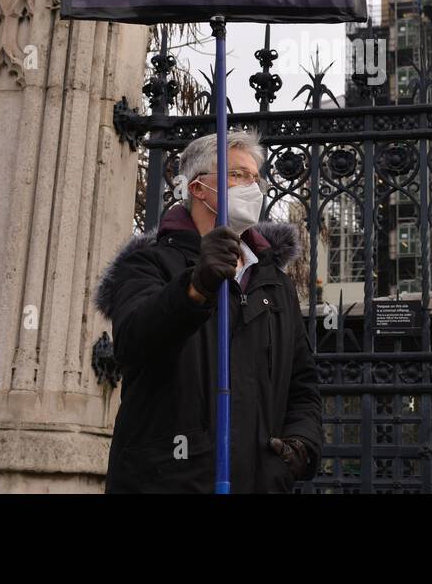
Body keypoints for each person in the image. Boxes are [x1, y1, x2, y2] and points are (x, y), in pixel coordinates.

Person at [95, 129, 322, 493]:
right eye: (237, 174)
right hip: (171, 481)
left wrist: (300, 446)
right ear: (198, 189)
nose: (253, 187)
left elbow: (302, 382)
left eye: (255, 177)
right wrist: (194, 288)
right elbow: (135, 340)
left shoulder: (273, 282)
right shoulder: (148, 264)